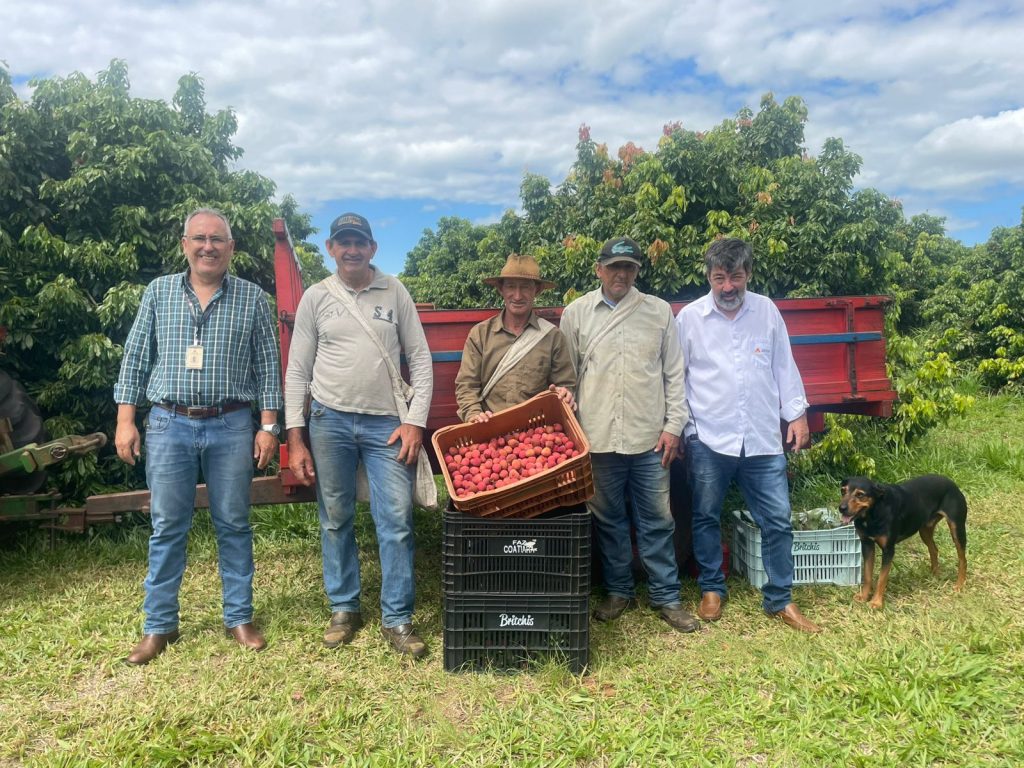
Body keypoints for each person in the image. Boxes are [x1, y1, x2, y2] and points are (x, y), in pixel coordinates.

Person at [114, 208, 283, 665]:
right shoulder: (158, 293)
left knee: (233, 523)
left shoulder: (251, 299)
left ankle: (239, 618)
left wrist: (268, 427)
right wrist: (125, 420)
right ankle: (159, 626)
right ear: (184, 244)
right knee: (168, 526)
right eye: (199, 238)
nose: (208, 246)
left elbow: (269, 369)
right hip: (169, 424)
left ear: (231, 248)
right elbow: (134, 359)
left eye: (218, 239)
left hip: (231, 424)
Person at [284, 212, 434, 658]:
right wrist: (295, 438)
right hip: (328, 422)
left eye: (359, 242)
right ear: (331, 248)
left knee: (397, 520)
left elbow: (421, 360)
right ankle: (344, 608)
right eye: (343, 242)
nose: (352, 249)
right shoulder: (316, 297)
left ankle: (397, 617)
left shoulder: (395, 291)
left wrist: (415, 422)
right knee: (335, 518)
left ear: (372, 249)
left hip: (387, 426)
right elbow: (297, 370)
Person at [676, 237, 820, 633]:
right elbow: (677, 379)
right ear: (708, 276)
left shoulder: (767, 311)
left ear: (748, 275)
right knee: (705, 516)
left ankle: (780, 599)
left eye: (735, 277)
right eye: (719, 277)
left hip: (760, 439)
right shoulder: (689, 319)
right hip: (709, 436)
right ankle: (711, 589)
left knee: (777, 519)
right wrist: (688, 430)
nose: (728, 287)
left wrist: (797, 416)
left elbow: (784, 367)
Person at [559, 236, 698, 633]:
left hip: (649, 438)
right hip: (597, 437)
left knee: (658, 519)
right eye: (614, 266)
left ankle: (667, 597)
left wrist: (674, 427)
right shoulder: (577, 313)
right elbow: (566, 379)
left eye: (629, 268)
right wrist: (573, 437)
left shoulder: (657, 312)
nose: (621, 274)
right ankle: (619, 591)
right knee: (609, 520)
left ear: (637, 271)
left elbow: (675, 374)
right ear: (599, 269)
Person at [454, 252, 575, 423]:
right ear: (501, 289)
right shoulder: (480, 334)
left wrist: (565, 394)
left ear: (537, 290)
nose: (517, 296)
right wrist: (474, 414)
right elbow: (467, 385)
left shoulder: (553, 337)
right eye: (511, 286)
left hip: (536, 433)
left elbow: (565, 384)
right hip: (489, 430)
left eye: (525, 287)